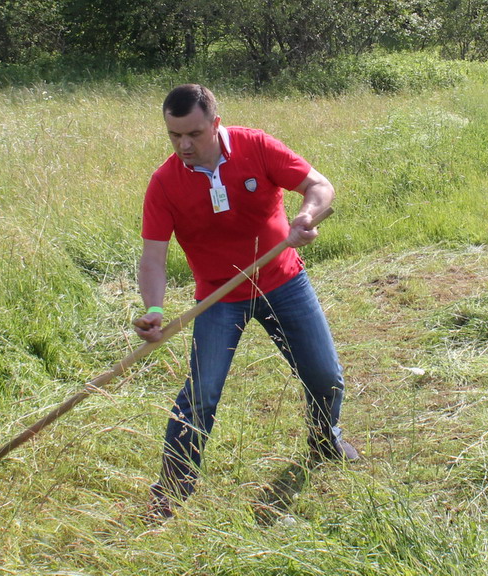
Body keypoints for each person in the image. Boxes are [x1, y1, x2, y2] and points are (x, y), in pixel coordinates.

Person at [134, 84, 358, 519]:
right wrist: (155, 311)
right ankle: (171, 492)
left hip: (282, 281)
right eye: (174, 135)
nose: (184, 145)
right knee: (200, 395)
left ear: (216, 125)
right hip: (219, 299)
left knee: (324, 374)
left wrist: (307, 215)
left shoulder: (256, 146)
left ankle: (324, 436)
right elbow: (153, 258)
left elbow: (319, 185)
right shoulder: (164, 184)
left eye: (194, 134)